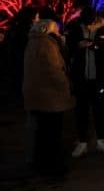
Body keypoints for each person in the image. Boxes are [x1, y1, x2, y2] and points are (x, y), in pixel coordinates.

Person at [22, 19, 75, 176]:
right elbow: (54, 70)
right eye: (56, 29)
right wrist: (66, 84)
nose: (58, 32)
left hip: (37, 93)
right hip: (50, 96)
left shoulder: (32, 42)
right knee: (52, 132)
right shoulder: (47, 44)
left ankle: (41, 163)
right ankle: (52, 166)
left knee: (42, 131)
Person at [66, 7, 104, 158]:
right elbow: (68, 50)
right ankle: (82, 142)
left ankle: (101, 140)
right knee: (81, 111)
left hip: (97, 78)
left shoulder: (102, 31)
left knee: (99, 110)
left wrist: (96, 46)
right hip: (80, 78)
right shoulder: (75, 31)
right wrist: (78, 46)